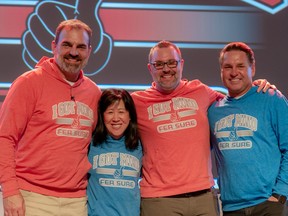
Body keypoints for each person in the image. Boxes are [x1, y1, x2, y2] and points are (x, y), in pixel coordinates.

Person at [131, 40, 271, 216]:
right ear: (150, 68)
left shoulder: (201, 91)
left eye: (172, 63)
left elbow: (236, 102)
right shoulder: (136, 102)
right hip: (160, 200)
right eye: (159, 64)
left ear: (181, 64)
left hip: (203, 197)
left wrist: (255, 85)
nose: (166, 69)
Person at [0, 19, 102, 216]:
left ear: (89, 51)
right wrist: (10, 191)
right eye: (67, 44)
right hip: (31, 198)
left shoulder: (94, 92)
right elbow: (4, 138)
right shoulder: (29, 83)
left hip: (77, 202)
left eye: (81, 47)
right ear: (54, 46)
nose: (73, 52)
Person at [208, 42, 288, 215]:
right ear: (221, 70)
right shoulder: (213, 111)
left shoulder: (272, 99)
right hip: (232, 208)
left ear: (253, 68)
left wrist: (280, 194)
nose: (234, 72)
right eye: (228, 67)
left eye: (241, 66)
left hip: (269, 204)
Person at [87, 88, 142, 216]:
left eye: (121, 112)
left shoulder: (139, 145)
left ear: (130, 116)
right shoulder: (90, 143)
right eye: (110, 112)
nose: (116, 118)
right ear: (102, 115)